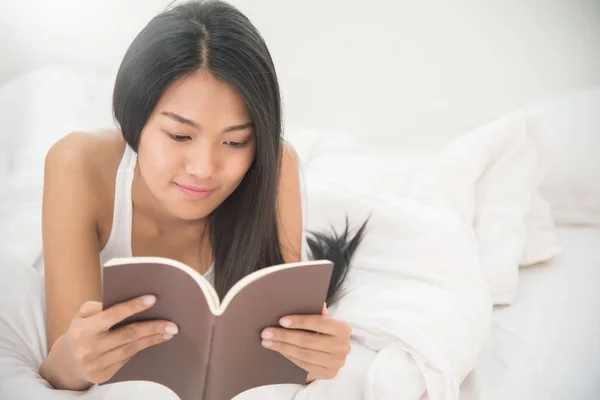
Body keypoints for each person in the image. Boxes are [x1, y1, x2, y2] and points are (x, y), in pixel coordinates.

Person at [38, 0, 367, 392]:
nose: (204, 168)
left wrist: (314, 360)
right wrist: (76, 359)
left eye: (235, 141)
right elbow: (61, 367)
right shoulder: (78, 164)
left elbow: (279, 353)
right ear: (135, 118)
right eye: (179, 136)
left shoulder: (275, 169)